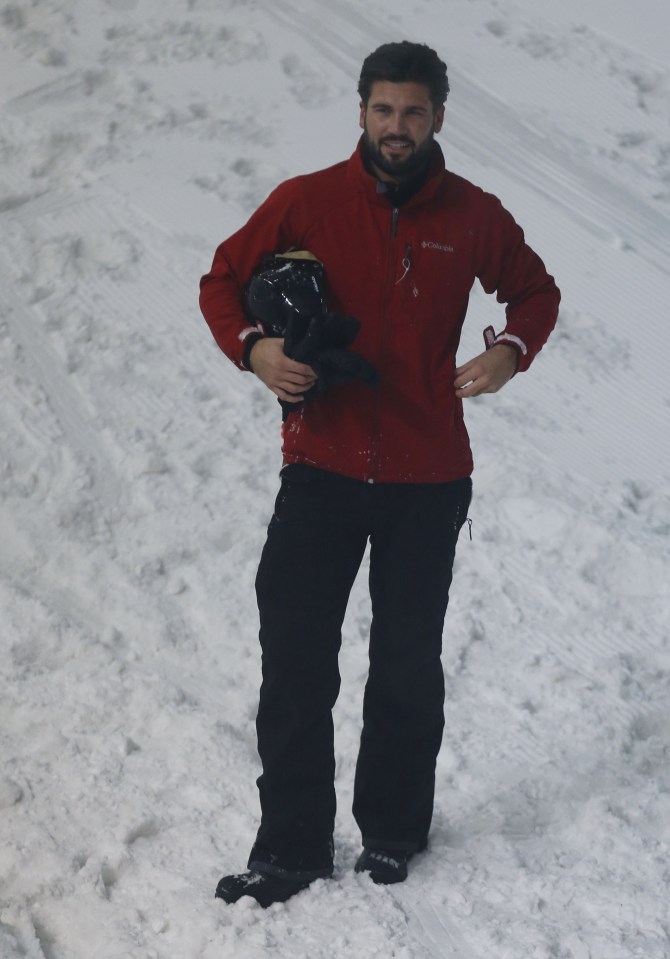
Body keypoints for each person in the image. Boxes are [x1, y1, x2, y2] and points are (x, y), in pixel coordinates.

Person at [199, 40, 560, 908]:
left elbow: (535, 292)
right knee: (294, 656)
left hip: (427, 474)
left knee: (405, 661)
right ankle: (289, 848)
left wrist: (512, 350)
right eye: (383, 109)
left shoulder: (472, 215)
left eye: (414, 111)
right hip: (321, 463)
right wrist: (257, 349)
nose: (397, 127)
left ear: (438, 117)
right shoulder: (306, 201)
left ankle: (394, 830)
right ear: (360, 110)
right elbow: (222, 280)